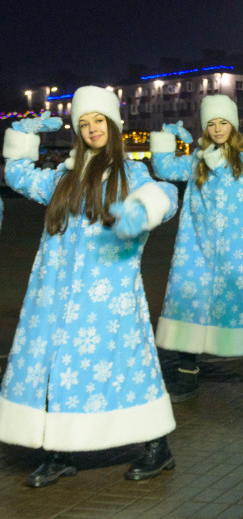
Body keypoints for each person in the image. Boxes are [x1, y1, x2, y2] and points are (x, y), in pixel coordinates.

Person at [0, 86, 179, 486]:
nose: (92, 128)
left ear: (113, 124)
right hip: (55, 293)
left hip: (109, 295)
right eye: (83, 123)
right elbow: (17, 176)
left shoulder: (129, 172)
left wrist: (144, 208)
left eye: (99, 120)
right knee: (56, 367)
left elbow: (166, 195)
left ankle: (157, 446)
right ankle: (59, 450)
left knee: (127, 365)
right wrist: (24, 136)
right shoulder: (64, 176)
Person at [148, 95, 243, 403]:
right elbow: (164, 168)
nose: (218, 128)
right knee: (188, 302)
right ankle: (187, 372)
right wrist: (166, 137)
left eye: (223, 122)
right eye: (212, 123)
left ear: (233, 125)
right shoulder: (197, 160)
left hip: (237, 249)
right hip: (195, 247)